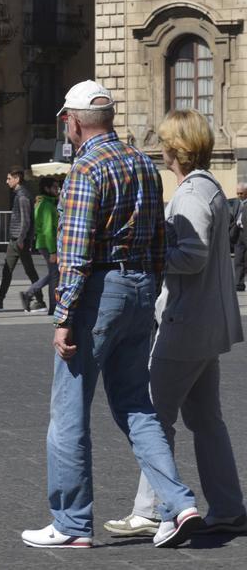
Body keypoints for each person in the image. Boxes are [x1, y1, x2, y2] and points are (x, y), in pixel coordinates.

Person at [21, 80, 201, 550]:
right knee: (138, 407)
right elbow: (161, 237)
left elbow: (75, 253)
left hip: (99, 292)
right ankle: (179, 504)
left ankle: (71, 523)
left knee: (68, 412)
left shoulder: (85, 169)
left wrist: (63, 317)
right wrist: (150, 289)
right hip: (140, 287)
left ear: (73, 122)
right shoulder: (143, 163)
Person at [103, 110, 246, 539]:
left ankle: (151, 510)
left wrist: (151, 249)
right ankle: (227, 505)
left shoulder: (189, 194)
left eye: (164, 142)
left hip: (184, 324)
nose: (160, 149)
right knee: (206, 420)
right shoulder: (209, 188)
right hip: (207, 323)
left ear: (175, 148)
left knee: (154, 416)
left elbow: (194, 254)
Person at [0, 167, 42, 311]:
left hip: (19, 240)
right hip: (16, 240)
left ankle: (39, 301)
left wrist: (21, 239)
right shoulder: (20, 195)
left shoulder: (22, 196)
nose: (6, 181)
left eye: (9, 179)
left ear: (17, 179)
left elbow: (26, 220)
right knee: (8, 271)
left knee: (28, 271)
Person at [21, 177, 61, 314]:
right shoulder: (46, 206)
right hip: (48, 244)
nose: (58, 190)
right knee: (55, 275)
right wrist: (53, 251)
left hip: (45, 244)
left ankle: (29, 293)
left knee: (55, 273)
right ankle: (53, 306)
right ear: (47, 189)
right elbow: (48, 231)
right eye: (55, 187)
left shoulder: (46, 203)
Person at [233, 183, 247, 292]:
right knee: (238, 259)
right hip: (239, 234)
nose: (239, 195)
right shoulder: (237, 202)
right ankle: (239, 284)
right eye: (237, 193)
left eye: (241, 193)